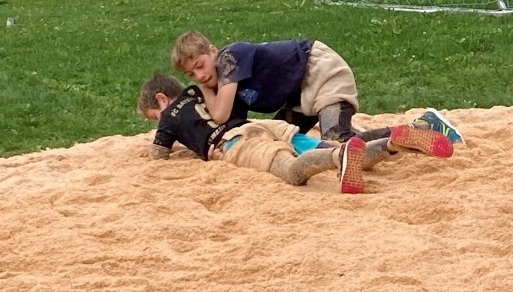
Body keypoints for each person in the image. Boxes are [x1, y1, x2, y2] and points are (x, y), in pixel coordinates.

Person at [137, 72, 454, 194]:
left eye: (153, 116)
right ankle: (392, 143)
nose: (157, 123)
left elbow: (158, 156)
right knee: (320, 147)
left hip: (235, 143)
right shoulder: (202, 91)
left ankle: (339, 157)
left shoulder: (169, 118)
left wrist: (162, 144)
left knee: (291, 171)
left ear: (162, 100)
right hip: (261, 126)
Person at [172, 31, 364, 143]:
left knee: (335, 140)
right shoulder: (227, 88)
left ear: (213, 51)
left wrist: (204, 89)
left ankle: (381, 140)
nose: (200, 76)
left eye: (200, 65)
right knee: (277, 141)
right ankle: (358, 136)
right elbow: (230, 125)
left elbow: (220, 115)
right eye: (191, 74)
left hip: (320, 71)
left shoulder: (229, 57)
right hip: (297, 96)